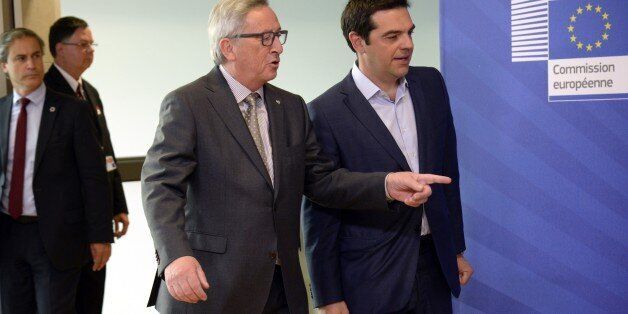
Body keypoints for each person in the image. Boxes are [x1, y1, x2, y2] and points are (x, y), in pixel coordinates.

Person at [141, 0, 451, 313]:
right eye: (266, 38)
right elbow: (161, 187)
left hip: (281, 289)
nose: (278, 47)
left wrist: (386, 185)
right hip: (212, 287)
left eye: (279, 35)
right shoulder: (188, 103)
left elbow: (322, 182)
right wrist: (175, 255)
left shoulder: (291, 107)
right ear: (228, 47)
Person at [302, 1, 473, 313]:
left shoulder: (431, 84)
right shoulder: (324, 112)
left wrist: (455, 249)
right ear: (358, 42)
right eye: (392, 36)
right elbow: (320, 210)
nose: (407, 45)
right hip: (372, 279)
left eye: (409, 33)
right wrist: (328, 297)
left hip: (435, 266)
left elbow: (448, 173)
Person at [0, 28, 112, 313]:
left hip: (55, 238)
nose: (31, 65)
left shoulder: (71, 111)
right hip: (8, 236)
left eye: (36, 56)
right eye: (21, 58)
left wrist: (100, 235)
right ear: (5, 66)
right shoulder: (1, 112)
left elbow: (94, 177)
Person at [43, 16, 130, 314]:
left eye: (92, 44)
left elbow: (105, 154)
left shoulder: (89, 92)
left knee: (92, 300)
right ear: (59, 49)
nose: (90, 50)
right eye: (82, 44)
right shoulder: (46, 93)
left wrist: (117, 202)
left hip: (95, 218)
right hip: (65, 226)